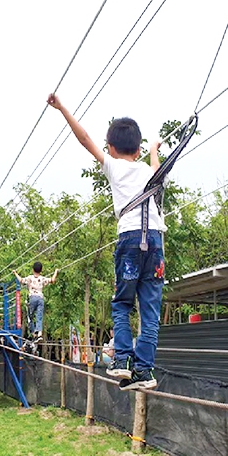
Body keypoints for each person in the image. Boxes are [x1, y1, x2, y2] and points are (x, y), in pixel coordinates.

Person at [47, 93, 164, 391]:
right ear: (137, 149)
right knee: (149, 310)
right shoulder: (147, 171)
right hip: (156, 241)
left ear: (110, 148)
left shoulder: (113, 166)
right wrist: (154, 150)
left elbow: (83, 138)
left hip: (129, 240)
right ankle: (144, 371)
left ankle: (122, 360)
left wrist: (62, 108)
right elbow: (158, 171)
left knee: (123, 303)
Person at [14, 262, 58, 339]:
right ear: (41, 270)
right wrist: (56, 272)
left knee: (30, 316)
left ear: (33, 270)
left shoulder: (30, 278)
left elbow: (21, 280)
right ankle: (39, 333)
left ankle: (33, 333)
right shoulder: (42, 279)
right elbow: (53, 280)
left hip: (32, 298)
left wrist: (15, 273)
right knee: (39, 316)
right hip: (40, 299)